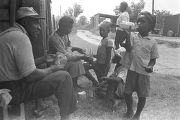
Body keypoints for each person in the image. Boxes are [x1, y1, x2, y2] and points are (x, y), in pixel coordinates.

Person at [0, 7, 77, 120]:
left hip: (5, 86)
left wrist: (44, 59)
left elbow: (20, 67)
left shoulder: (9, 34)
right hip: (13, 91)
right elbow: (31, 76)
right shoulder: (21, 38)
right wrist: (53, 68)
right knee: (64, 77)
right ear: (26, 22)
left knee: (44, 68)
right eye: (36, 22)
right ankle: (67, 117)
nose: (39, 27)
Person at [122, 11, 159, 120]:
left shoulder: (153, 42)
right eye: (138, 21)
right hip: (132, 70)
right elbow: (128, 49)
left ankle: (137, 114)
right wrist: (127, 35)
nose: (139, 23)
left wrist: (150, 66)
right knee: (127, 93)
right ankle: (129, 110)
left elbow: (153, 59)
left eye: (142, 21)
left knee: (142, 96)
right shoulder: (133, 37)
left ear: (150, 26)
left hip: (143, 73)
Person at [49, 16, 92, 88]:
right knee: (76, 62)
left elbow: (68, 48)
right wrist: (83, 57)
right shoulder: (54, 38)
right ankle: (71, 85)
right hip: (55, 62)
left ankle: (73, 83)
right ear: (62, 27)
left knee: (77, 61)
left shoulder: (65, 35)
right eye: (69, 28)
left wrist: (77, 49)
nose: (71, 30)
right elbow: (67, 56)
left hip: (63, 59)